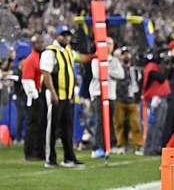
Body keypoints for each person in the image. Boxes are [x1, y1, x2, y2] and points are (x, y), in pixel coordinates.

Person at [40, 25, 92, 168]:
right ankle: (50, 158)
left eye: (68, 35)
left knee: (67, 128)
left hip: (68, 95)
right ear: (57, 36)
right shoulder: (50, 52)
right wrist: (52, 92)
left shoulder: (68, 50)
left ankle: (69, 157)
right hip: (55, 94)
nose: (66, 38)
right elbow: (46, 73)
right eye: (63, 35)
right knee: (52, 127)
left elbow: (79, 58)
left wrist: (94, 56)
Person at [89, 37, 124, 157]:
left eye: (111, 44)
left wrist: (107, 71)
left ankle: (108, 145)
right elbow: (97, 74)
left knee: (109, 120)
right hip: (98, 93)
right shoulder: (96, 58)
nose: (110, 46)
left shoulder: (114, 60)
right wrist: (110, 72)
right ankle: (97, 147)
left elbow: (121, 74)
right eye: (107, 43)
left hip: (111, 94)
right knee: (100, 120)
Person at [114, 46, 144, 155]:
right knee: (119, 124)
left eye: (127, 53)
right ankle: (120, 145)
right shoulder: (117, 69)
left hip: (132, 101)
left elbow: (139, 84)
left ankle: (138, 145)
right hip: (119, 100)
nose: (126, 56)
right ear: (120, 56)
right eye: (124, 54)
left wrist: (138, 97)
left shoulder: (135, 71)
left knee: (135, 124)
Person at [21, 34, 46, 161]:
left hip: (39, 93)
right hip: (34, 96)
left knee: (40, 124)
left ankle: (38, 151)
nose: (41, 45)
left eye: (41, 42)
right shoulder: (31, 59)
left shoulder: (39, 58)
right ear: (33, 45)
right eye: (38, 43)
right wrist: (35, 97)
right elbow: (27, 80)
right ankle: (29, 152)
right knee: (33, 125)